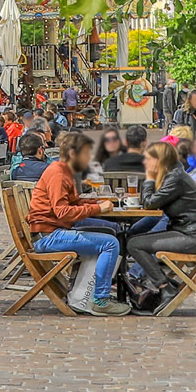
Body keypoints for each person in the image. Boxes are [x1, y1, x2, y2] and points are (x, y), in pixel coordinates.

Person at [27, 131, 130, 316]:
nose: (89, 158)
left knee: (113, 229)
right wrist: (97, 209)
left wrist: (96, 204)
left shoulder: (64, 171)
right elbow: (64, 212)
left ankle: (106, 286)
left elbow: (74, 203)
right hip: (49, 236)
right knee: (110, 243)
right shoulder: (58, 174)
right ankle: (101, 300)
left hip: (53, 229)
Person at [126, 139, 196, 290]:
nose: (145, 162)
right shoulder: (174, 174)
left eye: (148, 159)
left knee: (134, 244)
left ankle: (164, 287)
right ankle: (161, 283)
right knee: (132, 238)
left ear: (158, 160)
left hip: (193, 238)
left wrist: (150, 178)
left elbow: (149, 203)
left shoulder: (175, 178)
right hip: (188, 233)